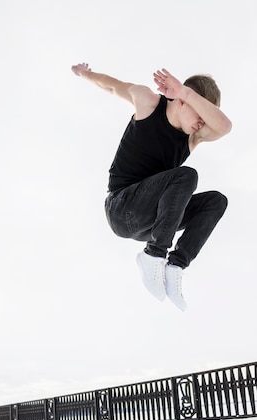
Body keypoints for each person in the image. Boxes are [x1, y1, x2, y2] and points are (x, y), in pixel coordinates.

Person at [71, 63, 232, 311]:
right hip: (121, 208)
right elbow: (113, 86)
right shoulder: (148, 103)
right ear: (180, 101)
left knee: (216, 201)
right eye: (198, 115)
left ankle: (176, 265)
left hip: (154, 222)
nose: (201, 124)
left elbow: (224, 127)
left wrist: (187, 94)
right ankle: (154, 255)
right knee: (185, 176)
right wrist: (85, 74)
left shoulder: (193, 137)